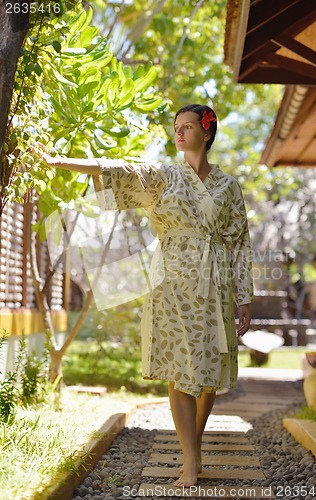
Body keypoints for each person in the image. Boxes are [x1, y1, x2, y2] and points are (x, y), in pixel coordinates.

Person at [36, 103, 253, 488]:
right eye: (177, 127)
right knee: (178, 370)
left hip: (214, 282)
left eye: (188, 126)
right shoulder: (163, 177)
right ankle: (190, 461)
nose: (180, 132)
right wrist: (59, 161)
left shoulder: (228, 186)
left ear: (207, 133)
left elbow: (239, 242)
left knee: (207, 375)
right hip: (171, 283)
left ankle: (194, 445)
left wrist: (244, 297)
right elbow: (116, 167)